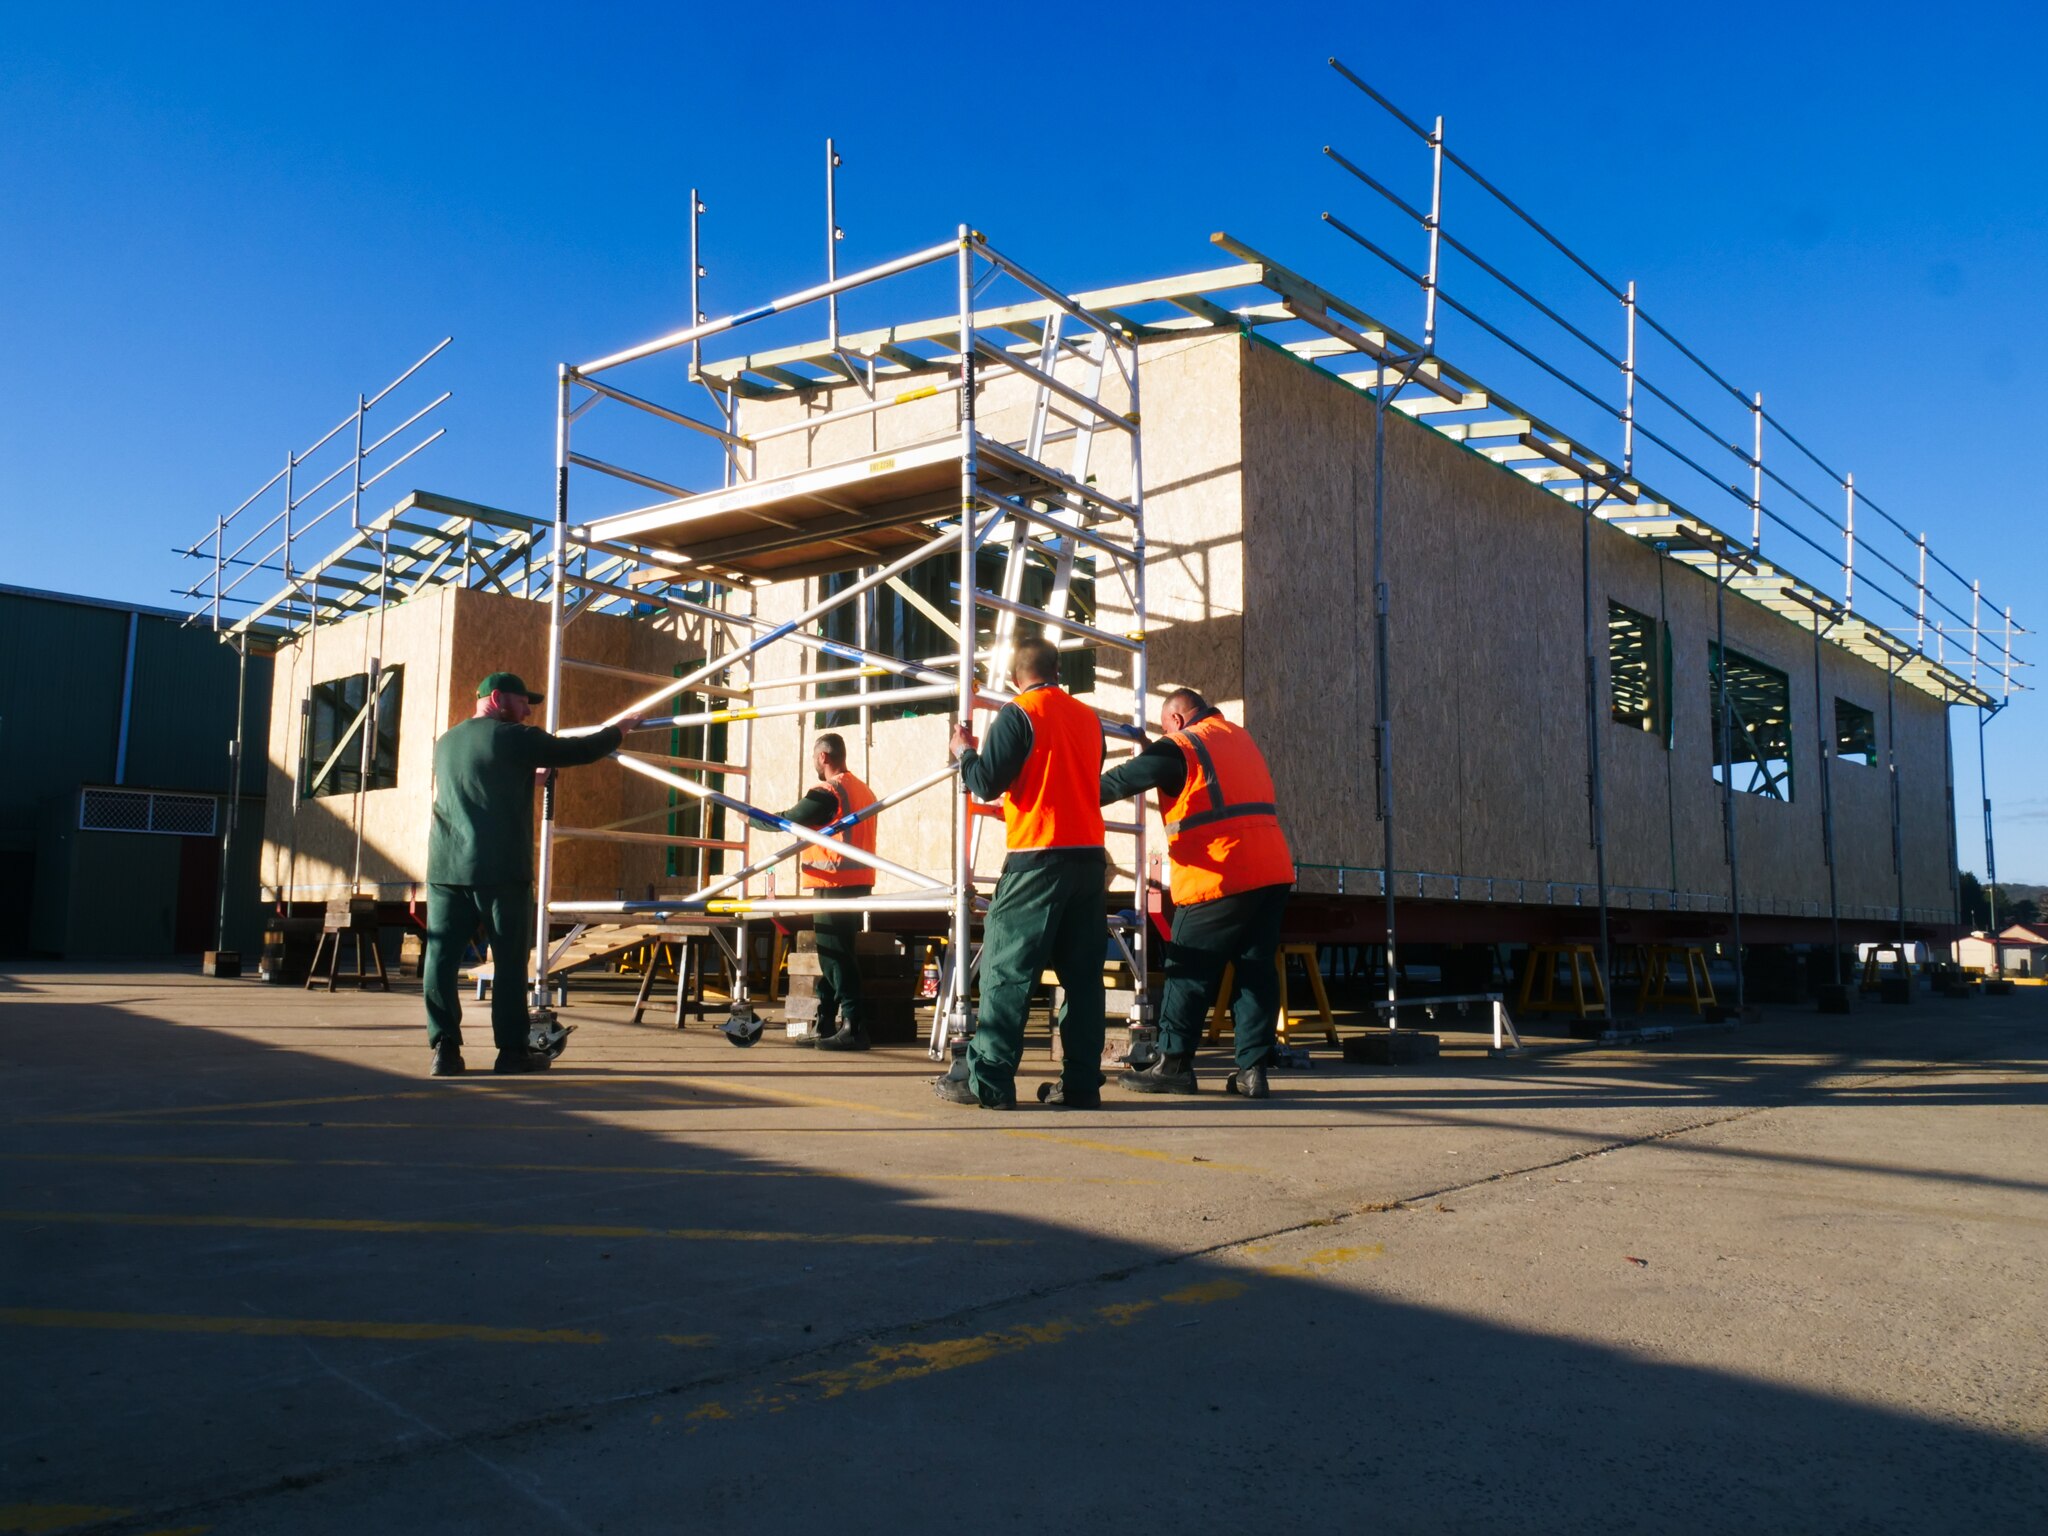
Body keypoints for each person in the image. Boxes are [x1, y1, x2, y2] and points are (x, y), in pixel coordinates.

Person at [423, 671, 640, 1076]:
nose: (526, 711)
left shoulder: (447, 742)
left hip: (445, 868)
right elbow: (579, 750)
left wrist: (529, 779)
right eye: (524, 702)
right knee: (508, 963)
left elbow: (479, 784)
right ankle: (511, 1052)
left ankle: (445, 1050)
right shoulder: (514, 737)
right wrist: (619, 730)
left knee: (440, 959)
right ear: (499, 697)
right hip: (500, 868)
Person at [936, 636, 1108, 1110]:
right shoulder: (1088, 718)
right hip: (1091, 861)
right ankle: (1081, 1085)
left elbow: (986, 782)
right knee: (1082, 979)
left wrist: (963, 752)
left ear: (1016, 677)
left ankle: (989, 1081)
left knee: (1007, 972)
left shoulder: (1020, 713)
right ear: (1057, 670)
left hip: (1038, 857)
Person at [1100, 687, 1294, 1098]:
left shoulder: (1181, 745)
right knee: (1255, 973)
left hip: (1219, 874)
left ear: (1174, 719)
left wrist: (1069, 794)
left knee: (1189, 970)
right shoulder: (1238, 737)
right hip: (1271, 871)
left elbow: (1123, 780)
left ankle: (1172, 1064)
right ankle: (1253, 1071)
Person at [781, 732, 878, 1053]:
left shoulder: (829, 790)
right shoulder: (861, 789)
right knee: (835, 953)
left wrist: (755, 819)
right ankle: (825, 1021)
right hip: (856, 880)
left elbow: (794, 819)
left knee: (836, 956)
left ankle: (853, 1025)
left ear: (823, 757)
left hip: (832, 881)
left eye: (814, 757)